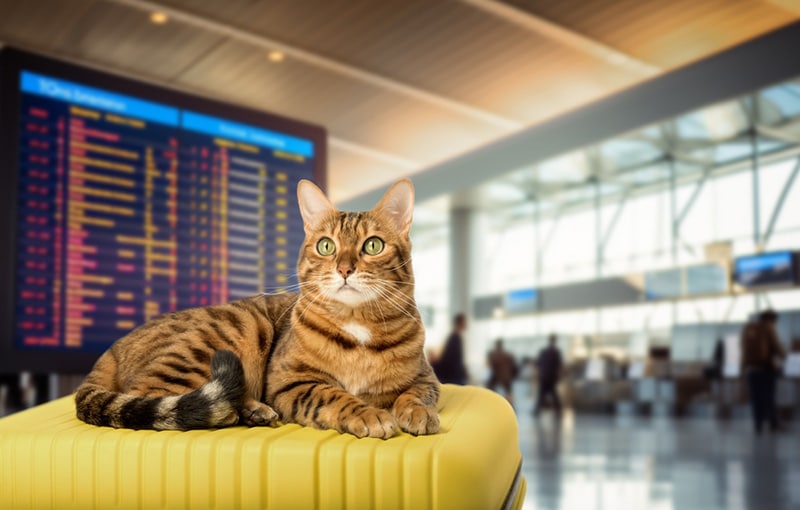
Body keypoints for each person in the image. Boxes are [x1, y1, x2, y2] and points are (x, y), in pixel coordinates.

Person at [740, 309, 786, 435]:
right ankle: (773, 424)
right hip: (766, 369)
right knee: (769, 397)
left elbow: (743, 349)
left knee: (756, 399)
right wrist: (786, 358)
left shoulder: (748, 328)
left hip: (751, 370)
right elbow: (777, 347)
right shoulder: (768, 328)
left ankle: (758, 425)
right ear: (771, 319)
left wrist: (742, 368)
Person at [431, 314, 469, 385]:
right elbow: (450, 359)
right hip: (454, 377)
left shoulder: (455, 337)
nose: (466, 325)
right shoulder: (455, 338)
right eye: (464, 322)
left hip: (455, 376)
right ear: (459, 323)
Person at [534, 333, 563, 417]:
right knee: (553, 394)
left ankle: (537, 411)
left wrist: (539, 375)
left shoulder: (544, 352)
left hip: (544, 376)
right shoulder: (556, 352)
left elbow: (538, 365)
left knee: (543, 395)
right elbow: (559, 366)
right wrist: (558, 376)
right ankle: (558, 410)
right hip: (551, 377)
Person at [487, 339, 518, 405]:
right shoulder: (508, 355)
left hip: (497, 376)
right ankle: (511, 406)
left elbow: (492, 367)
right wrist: (513, 375)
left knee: (490, 390)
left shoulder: (494, 356)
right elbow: (514, 367)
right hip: (507, 377)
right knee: (508, 392)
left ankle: (491, 403)